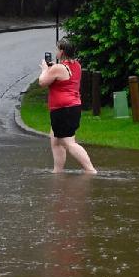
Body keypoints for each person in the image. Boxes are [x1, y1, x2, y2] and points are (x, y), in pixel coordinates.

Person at [38, 37, 97, 174]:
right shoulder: (76, 65)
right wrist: (52, 68)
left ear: (62, 51)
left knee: (68, 142)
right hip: (72, 107)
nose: (56, 51)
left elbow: (42, 82)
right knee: (55, 140)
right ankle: (57, 171)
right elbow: (63, 77)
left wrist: (45, 69)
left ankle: (90, 170)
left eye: (57, 49)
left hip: (64, 109)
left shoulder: (58, 68)